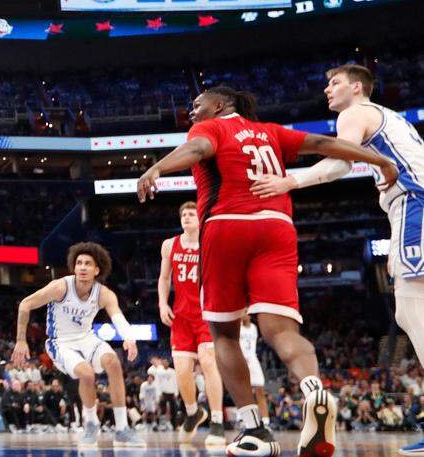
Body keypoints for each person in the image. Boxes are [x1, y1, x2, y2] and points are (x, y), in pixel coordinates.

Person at [137, 85, 399, 457]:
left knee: (223, 334)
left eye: (198, 105)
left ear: (220, 105)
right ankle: (315, 392)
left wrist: (157, 167)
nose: (192, 111)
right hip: (277, 227)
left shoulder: (210, 129)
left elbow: (197, 150)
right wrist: (379, 161)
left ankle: (254, 431)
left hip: (227, 225)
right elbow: (325, 146)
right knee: (280, 330)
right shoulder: (272, 131)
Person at [245, 65, 424, 457]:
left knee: (413, 310)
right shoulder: (388, 117)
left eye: (335, 83)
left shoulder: (355, 112)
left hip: (414, 202)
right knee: (410, 311)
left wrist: (287, 182)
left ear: (357, 87)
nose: (327, 89)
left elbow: (339, 163)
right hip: (407, 206)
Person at [12, 242, 145, 449]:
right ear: (74, 267)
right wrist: (21, 339)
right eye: (79, 263)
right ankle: (90, 423)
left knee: (113, 362)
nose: (82, 267)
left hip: (86, 338)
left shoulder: (104, 294)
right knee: (87, 373)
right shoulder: (61, 287)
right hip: (60, 342)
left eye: (87, 264)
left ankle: (122, 428)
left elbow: (118, 317)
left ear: (97, 270)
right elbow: (25, 304)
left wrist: (129, 337)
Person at [157, 201, 226, 447]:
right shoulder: (170, 245)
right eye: (183, 214)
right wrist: (162, 304)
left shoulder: (211, 242)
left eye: (191, 214)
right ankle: (193, 412)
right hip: (181, 316)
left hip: (206, 315)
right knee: (182, 371)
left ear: (200, 218)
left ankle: (217, 422)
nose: (186, 217)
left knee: (208, 362)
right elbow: (164, 278)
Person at [240, 316, 271, 427]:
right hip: (241, 360)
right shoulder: (237, 327)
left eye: (246, 312)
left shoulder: (254, 328)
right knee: (243, 391)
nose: (243, 314)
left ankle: (266, 421)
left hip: (253, 360)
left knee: (260, 391)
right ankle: (243, 419)